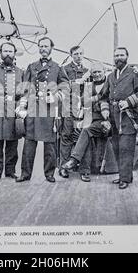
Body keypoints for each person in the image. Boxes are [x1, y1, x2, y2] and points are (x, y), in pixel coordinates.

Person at [15, 37, 68, 183]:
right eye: (41, 46)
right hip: (33, 109)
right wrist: (22, 106)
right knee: (29, 143)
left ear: (52, 48)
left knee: (50, 144)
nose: (43, 49)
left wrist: (56, 96)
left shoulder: (58, 68)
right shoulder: (31, 67)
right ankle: (25, 174)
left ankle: (49, 174)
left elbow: (65, 86)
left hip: (49, 110)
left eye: (46, 46)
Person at [99, 47, 138, 189]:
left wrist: (128, 101)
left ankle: (125, 179)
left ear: (127, 56)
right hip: (114, 118)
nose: (118, 58)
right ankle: (124, 175)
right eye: (116, 55)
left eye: (121, 55)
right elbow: (103, 96)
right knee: (117, 148)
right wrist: (105, 110)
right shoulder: (110, 76)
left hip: (128, 116)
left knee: (126, 148)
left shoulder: (135, 73)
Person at [62, 61, 112, 182]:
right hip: (93, 120)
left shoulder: (110, 83)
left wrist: (96, 99)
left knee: (86, 131)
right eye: (94, 72)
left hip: (108, 121)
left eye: (99, 71)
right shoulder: (89, 86)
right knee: (86, 132)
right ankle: (84, 171)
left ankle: (74, 161)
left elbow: (110, 99)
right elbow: (84, 101)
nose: (97, 74)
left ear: (104, 72)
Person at [0, 42, 24, 181]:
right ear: (1, 53)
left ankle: (10, 171)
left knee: (13, 143)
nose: (8, 54)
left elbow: (24, 92)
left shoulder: (20, 72)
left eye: (10, 51)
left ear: (14, 53)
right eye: (5, 51)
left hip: (13, 110)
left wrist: (21, 107)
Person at [58, 46, 90, 179]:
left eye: (81, 53)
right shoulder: (64, 69)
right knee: (66, 137)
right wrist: (76, 82)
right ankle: (64, 167)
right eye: (75, 54)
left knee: (83, 138)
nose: (78, 56)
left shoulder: (88, 71)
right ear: (71, 55)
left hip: (84, 108)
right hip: (68, 107)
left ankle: (84, 170)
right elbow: (62, 86)